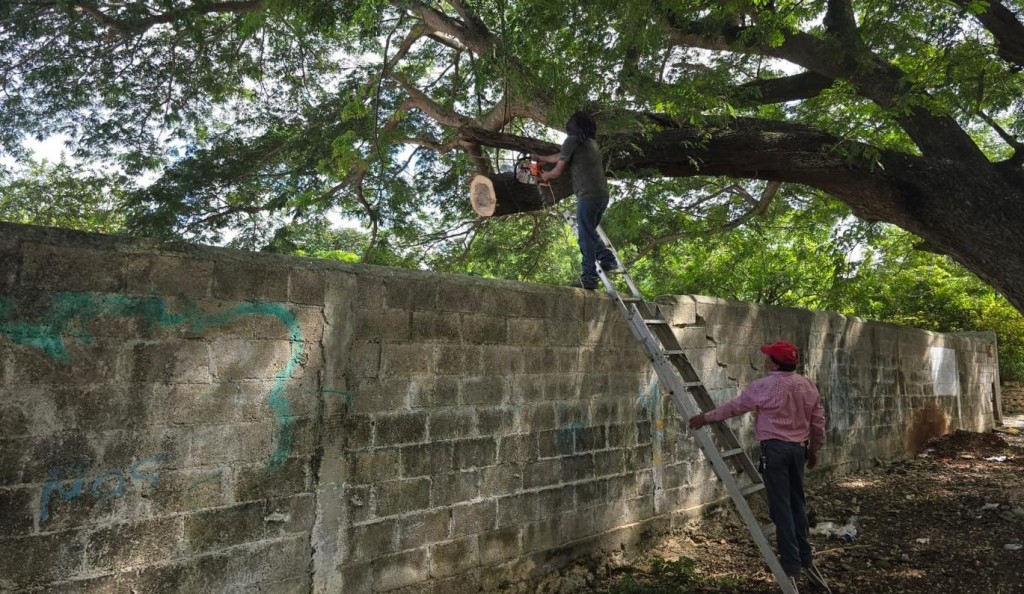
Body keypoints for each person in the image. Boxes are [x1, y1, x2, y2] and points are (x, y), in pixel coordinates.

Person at [688, 340, 826, 586]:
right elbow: (818, 422)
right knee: (797, 503)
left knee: (781, 506)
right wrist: (814, 450)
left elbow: (736, 407)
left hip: (774, 450)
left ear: (775, 363)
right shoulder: (807, 386)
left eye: (768, 357)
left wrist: (706, 418)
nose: (765, 360)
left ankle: (791, 562)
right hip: (798, 450)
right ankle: (804, 556)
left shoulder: (765, 385)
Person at [532, 111, 618, 290]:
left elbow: (557, 170)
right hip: (602, 196)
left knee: (585, 237)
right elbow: (560, 156)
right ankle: (608, 259)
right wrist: (540, 158)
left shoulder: (572, 141)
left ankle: (589, 278)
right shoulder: (590, 143)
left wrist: (546, 175)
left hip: (588, 196)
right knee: (588, 231)